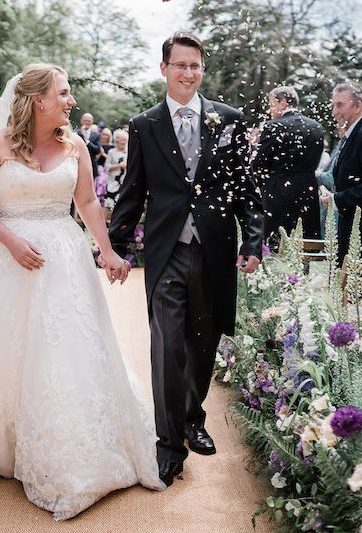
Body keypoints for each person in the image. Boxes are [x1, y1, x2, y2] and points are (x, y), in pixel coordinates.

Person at [0, 63, 164, 521]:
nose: (71, 101)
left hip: (62, 257)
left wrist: (106, 253)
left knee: (63, 348)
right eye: (63, 93)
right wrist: (11, 241)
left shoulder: (76, 145)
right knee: (2, 346)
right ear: (38, 99)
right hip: (7, 256)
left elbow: (85, 203)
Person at [108, 32, 263, 487]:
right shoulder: (144, 125)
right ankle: (169, 444)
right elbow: (132, 191)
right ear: (164, 69)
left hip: (213, 251)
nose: (188, 73)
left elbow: (247, 190)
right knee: (166, 346)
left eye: (195, 66)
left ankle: (194, 416)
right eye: (180, 65)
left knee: (203, 343)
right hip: (166, 253)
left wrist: (251, 243)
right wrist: (115, 245)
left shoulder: (228, 119)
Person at [252, 86, 324, 250]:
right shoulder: (316, 128)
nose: (270, 110)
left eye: (271, 104)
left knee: (274, 247)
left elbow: (258, 164)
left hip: (277, 196)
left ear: (283, 103)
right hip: (307, 193)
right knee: (304, 247)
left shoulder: (273, 126)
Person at [331, 82, 362, 262]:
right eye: (333, 105)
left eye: (340, 105)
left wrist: (337, 199)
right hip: (349, 223)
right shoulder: (352, 133)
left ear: (357, 105)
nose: (335, 112)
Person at [104, 128, 129, 212]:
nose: (123, 142)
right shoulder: (111, 152)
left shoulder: (129, 152)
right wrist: (119, 165)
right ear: (116, 140)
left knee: (122, 205)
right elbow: (107, 167)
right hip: (113, 182)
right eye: (121, 140)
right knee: (109, 205)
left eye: (125, 140)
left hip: (125, 182)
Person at [76, 112, 101, 177]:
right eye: (85, 120)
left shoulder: (96, 135)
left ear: (92, 122)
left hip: (91, 165)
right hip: (77, 164)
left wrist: (86, 140)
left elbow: (97, 150)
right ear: (81, 121)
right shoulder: (75, 132)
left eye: (89, 121)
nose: (87, 122)